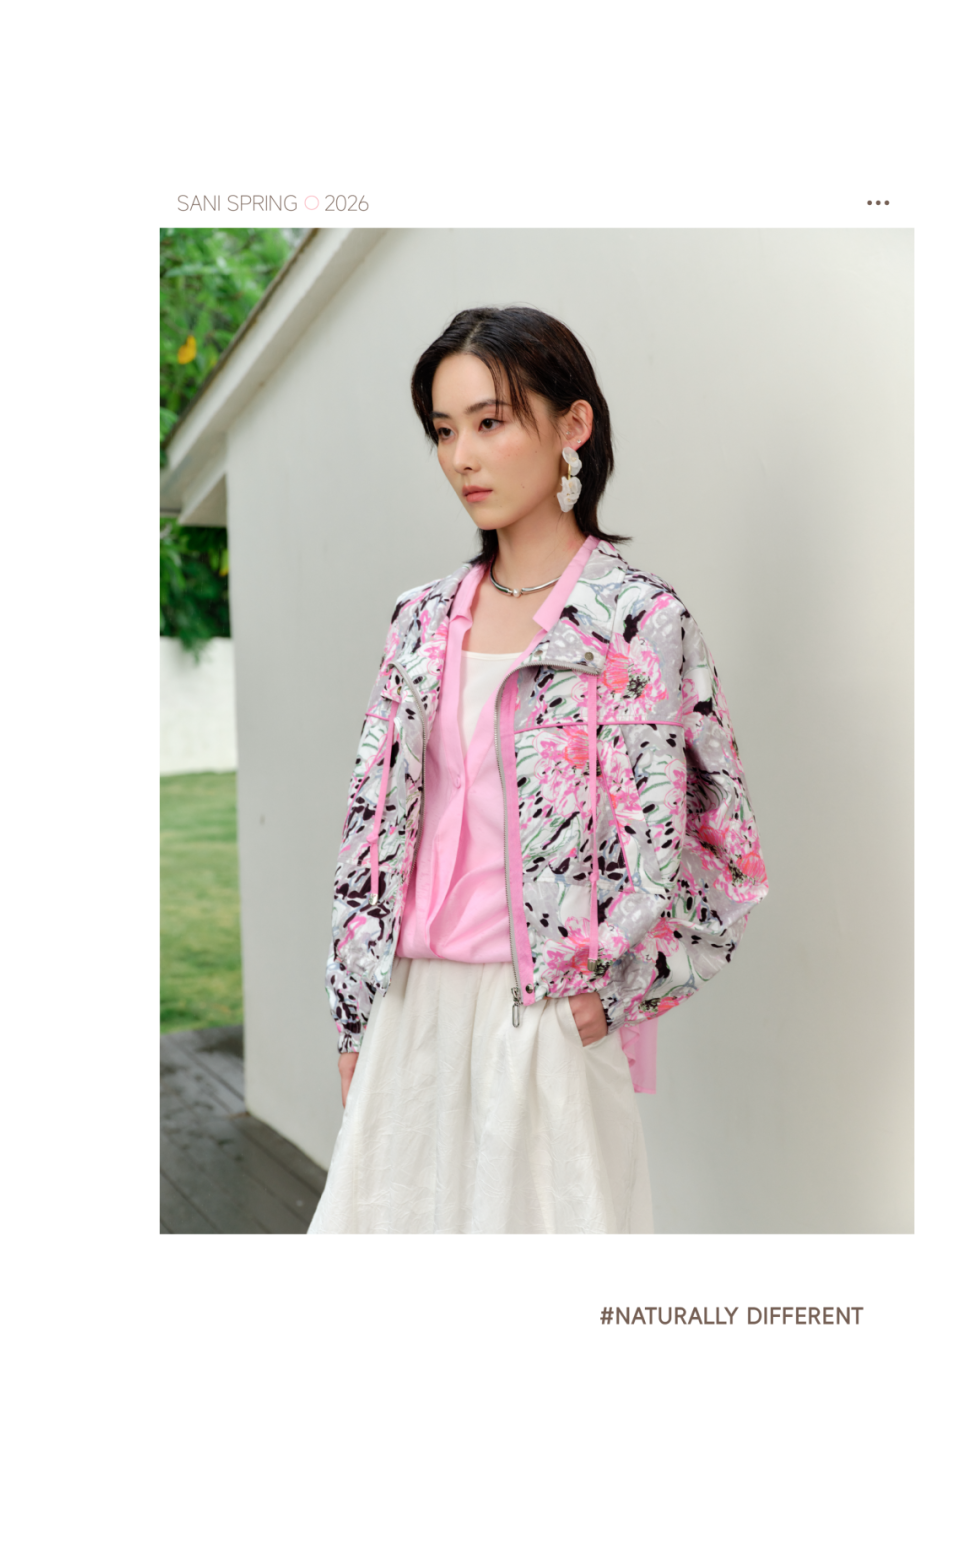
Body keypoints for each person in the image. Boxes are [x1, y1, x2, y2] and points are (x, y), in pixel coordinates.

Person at [306, 306, 767, 1234]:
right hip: (408, 1008)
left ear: (573, 425)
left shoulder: (637, 623)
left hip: (546, 1018)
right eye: (444, 431)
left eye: (491, 421)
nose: (462, 457)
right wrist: (357, 1015)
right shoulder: (419, 620)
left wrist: (612, 992)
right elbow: (369, 831)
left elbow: (727, 853)